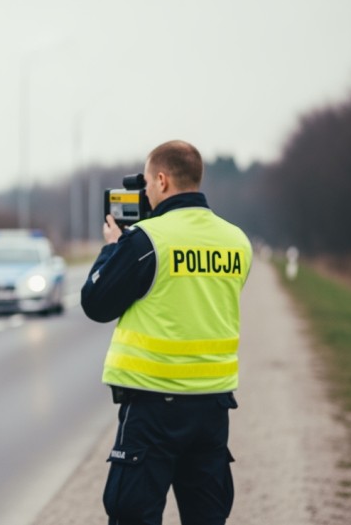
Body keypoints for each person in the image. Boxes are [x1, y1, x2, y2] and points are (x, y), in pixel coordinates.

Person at [81, 140, 252, 525]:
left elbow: (96, 302)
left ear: (161, 180)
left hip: (153, 407)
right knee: (207, 517)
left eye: (145, 183)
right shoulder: (237, 241)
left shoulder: (146, 240)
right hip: (213, 406)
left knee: (133, 515)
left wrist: (113, 248)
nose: (143, 192)